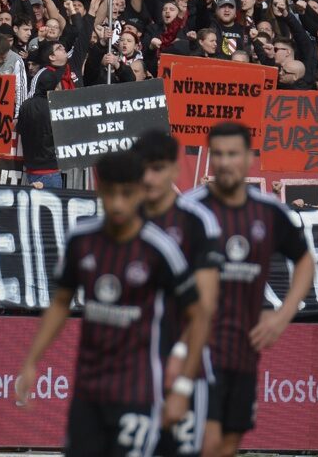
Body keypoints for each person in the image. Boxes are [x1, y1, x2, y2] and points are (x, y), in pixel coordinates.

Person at [17, 149, 210, 457]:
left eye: (126, 194)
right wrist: (31, 361)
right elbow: (61, 302)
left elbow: (198, 316)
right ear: (99, 189)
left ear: (139, 192)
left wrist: (183, 387)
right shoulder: (82, 239)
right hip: (88, 392)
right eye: (110, 193)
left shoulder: (161, 249)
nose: (118, 203)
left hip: (139, 391)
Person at [186, 122, 316, 457]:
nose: (226, 162)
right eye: (219, 155)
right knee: (208, 443)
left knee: (230, 443)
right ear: (211, 160)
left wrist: (282, 316)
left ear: (248, 159)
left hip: (244, 348)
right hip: (198, 348)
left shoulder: (268, 211)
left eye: (233, 154)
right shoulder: (189, 210)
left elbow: (305, 262)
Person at [134, 131, 223, 457]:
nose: (148, 177)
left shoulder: (197, 222)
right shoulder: (120, 221)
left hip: (184, 370)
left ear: (174, 170)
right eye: (141, 168)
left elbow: (204, 307)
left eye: (157, 168)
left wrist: (183, 379)